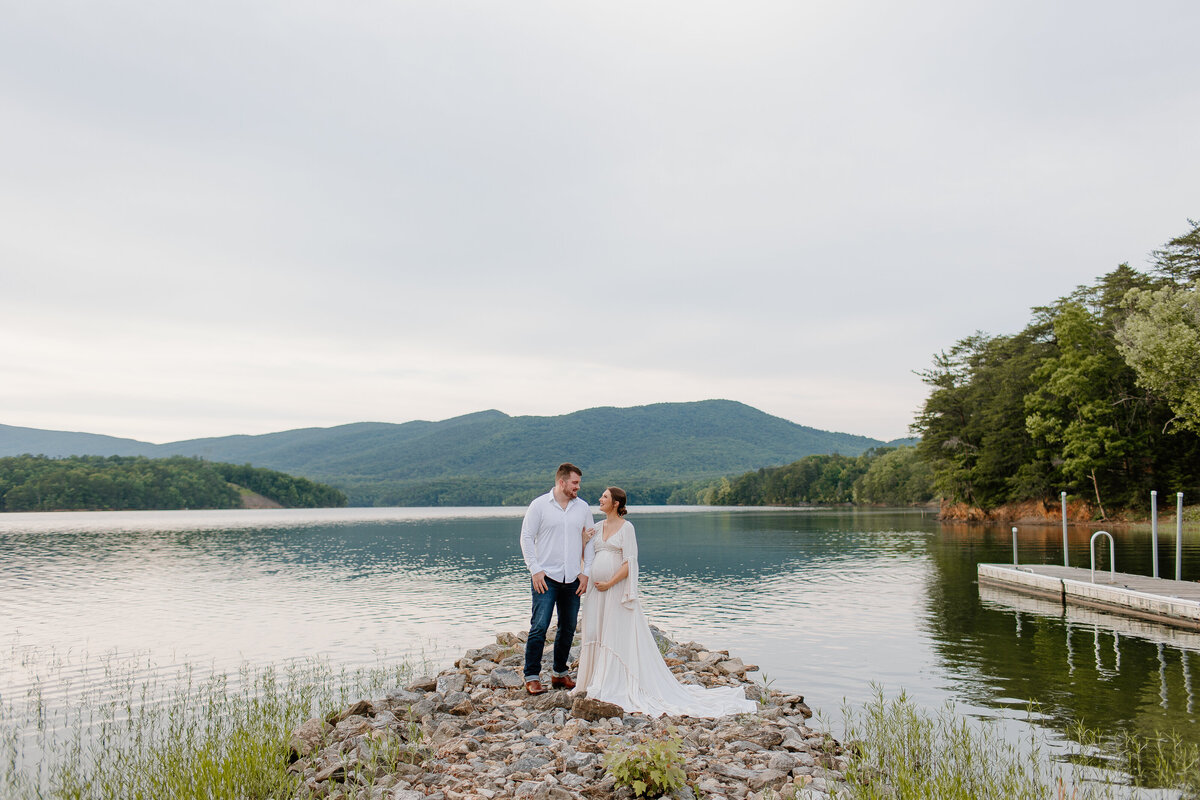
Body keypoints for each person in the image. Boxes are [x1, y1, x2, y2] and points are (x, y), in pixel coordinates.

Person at [576, 487, 757, 717]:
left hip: (614, 590)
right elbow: (588, 558)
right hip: (596, 592)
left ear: (616, 503)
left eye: (605, 497)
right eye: (601, 496)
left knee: (614, 634)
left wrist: (610, 582)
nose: (600, 499)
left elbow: (630, 562)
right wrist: (583, 542)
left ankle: (614, 682)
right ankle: (592, 680)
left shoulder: (626, 528)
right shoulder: (598, 528)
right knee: (597, 633)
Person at [519, 462, 595, 695]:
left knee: (568, 627)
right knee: (540, 626)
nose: (578, 487)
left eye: (578, 483)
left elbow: (590, 542)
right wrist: (535, 569)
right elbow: (526, 537)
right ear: (562, 482)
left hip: (572, 576)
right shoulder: (539, 505)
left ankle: (559, 674)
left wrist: (586, 573)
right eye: (575, 483)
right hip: (546, 577)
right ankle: (531, 676)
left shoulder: (582, 508)